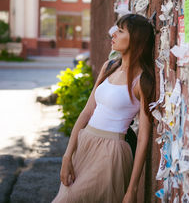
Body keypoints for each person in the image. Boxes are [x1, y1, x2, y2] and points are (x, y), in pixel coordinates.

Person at [52, 13, 155, 203]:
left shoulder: (141, 81)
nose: (113, 34)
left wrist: (131, 190)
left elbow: (143, 138)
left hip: (111, 152)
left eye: (120, 31)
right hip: (84, 144)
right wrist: (67, 156)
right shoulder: (109, 66)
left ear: (136, 39)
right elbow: (87, 112)